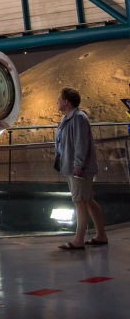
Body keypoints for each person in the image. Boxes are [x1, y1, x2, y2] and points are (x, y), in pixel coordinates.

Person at [55, 87, 108, 250]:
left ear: (66, 102)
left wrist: (78, 164)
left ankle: (79, 240)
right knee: (87, 200)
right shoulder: (68, 118)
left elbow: (81, 143)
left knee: (80, 202)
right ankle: (101, 235)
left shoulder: (78, 118)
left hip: (79, 169)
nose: (57, 101)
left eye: (59, 99)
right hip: (72, 166)